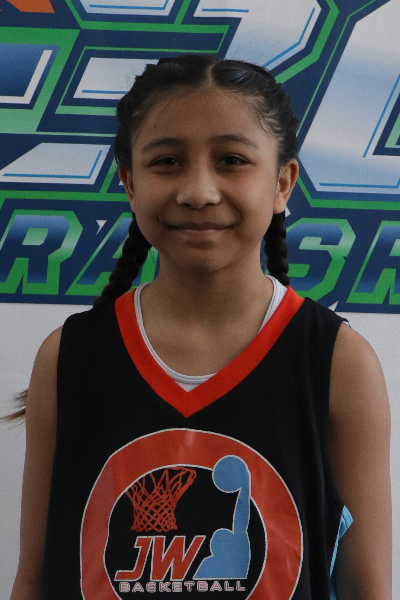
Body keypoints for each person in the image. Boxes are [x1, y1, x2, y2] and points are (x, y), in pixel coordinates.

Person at [9, 55, 391, 600]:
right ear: (129, 182)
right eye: (167, 162)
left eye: (232, 160)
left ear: (283, 182)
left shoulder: (337, 360)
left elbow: (367, 588)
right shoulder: (69, 356)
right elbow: (33, 581)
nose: (199, 191)